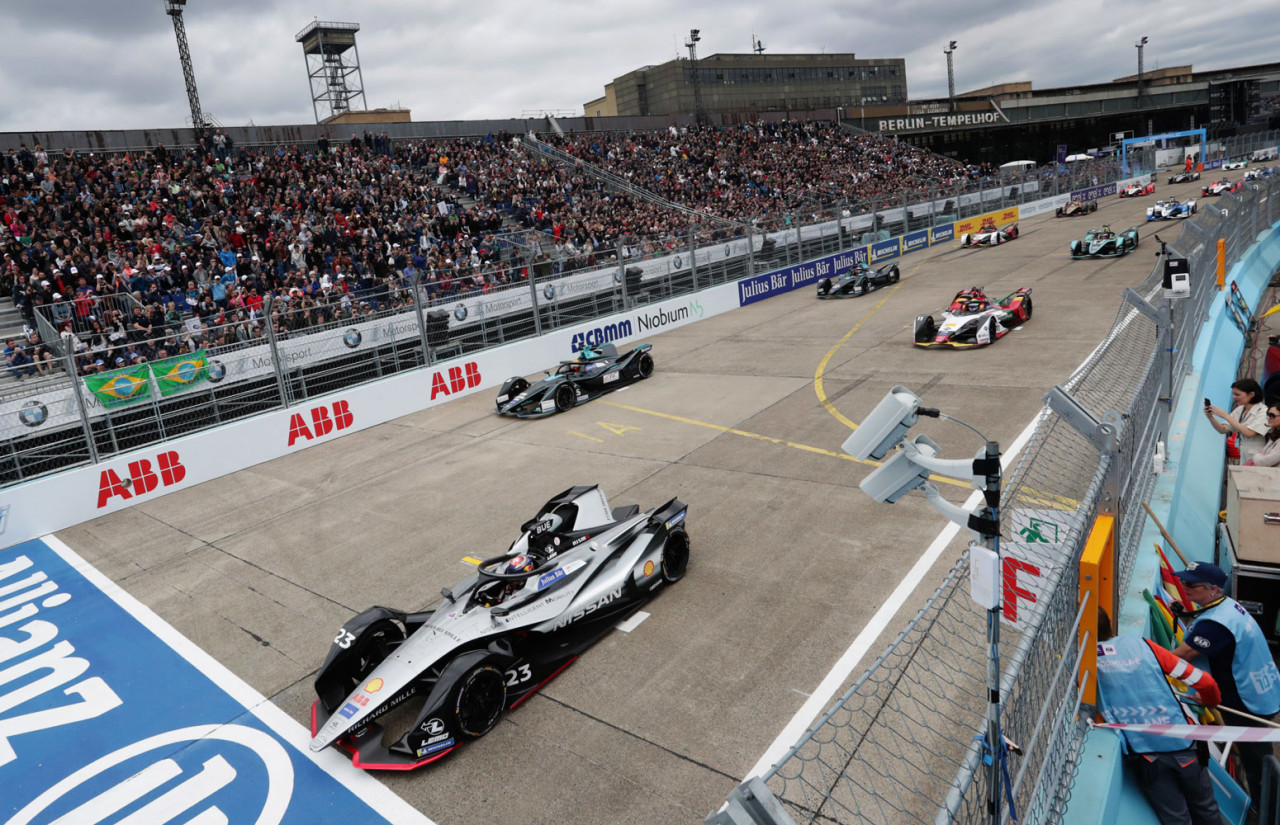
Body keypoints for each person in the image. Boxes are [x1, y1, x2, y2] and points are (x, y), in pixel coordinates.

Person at [1096, 609, 1223, 825]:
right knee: (1207, 810)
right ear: (1110, 622)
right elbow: (1206, 683)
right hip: (1185, 744)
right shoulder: (1143, 645)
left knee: (1176, 818)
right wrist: (1210, 700)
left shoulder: (1082, 663)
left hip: (1147, 754)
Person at [1172, 562, 1280, 814]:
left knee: (1258, 762)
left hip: (1247, 700)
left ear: (1212, 590)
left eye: (1190, 584)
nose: (1183, 587)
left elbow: (1179, 658)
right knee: (1256, 757)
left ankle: (1266, 811)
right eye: (1183, 582)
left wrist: (1144, 658)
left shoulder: (1215, 625)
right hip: (1264, 688)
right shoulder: (1228, 607)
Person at [1205, 378, 1267, 464]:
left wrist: (1226, 416)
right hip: (1244, 455)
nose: (1234, 397)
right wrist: (1210, 417)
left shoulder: (1263, 412)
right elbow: (1222, 429)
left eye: (1238, 395)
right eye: (1233, 394)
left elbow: (1250, 433)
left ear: (1251, 394)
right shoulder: (1240, 410)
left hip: (1259, 457)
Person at [1242, 402, 1280, 467]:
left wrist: (1256, 457)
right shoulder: (1274, 435)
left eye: (1272, 415)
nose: (1268, 418)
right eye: (1267, 415)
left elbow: (1264, 462)